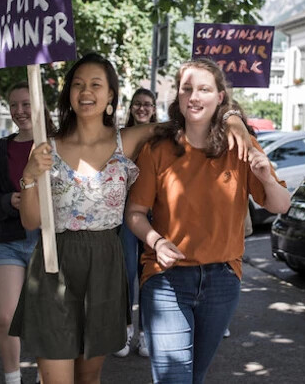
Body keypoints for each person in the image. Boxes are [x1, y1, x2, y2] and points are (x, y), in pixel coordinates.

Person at [9, 53, 251, 384]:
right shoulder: (47, 148)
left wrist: (234, 116)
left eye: (96, 84)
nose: (85, 91)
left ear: (111, 96)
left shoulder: (128, 141)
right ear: (68, 94)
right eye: (77, 84)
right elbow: (31, 221)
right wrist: (29, 174)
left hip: (105, 267)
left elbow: (192, 117)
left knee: (88, 378)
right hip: (54, 266)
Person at [125, 58, 291, 383]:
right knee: (175, 378)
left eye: (204, 89)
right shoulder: (158, 149)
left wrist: (266, 178)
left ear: (220, 97)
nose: (194, 97)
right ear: (177, 97)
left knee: (195, 377)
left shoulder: (240, 145)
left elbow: (281, 204)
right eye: (187, 89)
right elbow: (134, 213)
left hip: (221, 280)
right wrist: (156, 241)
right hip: (166, 279)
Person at [0, 82, 53, 384]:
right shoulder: (2, 148)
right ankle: (12, 378)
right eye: (13, 105)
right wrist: (8, 201)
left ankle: (44, 375)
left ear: (38, 105)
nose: (19, 111)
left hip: (48, 243)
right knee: (6, 317)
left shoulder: (57, 144)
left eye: (25, 104)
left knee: (44, 320)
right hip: (10, 241)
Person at [114, 88, 158, 358]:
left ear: (154, 109)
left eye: (148, 105)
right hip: (127, 212)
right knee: (128, 272)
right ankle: (125, 330)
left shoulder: (161, 138)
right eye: (138, 104)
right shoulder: (121, 138)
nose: (142, 109)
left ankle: (145, 335)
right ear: (131, 108)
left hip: (155, 214)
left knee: (149, 275)